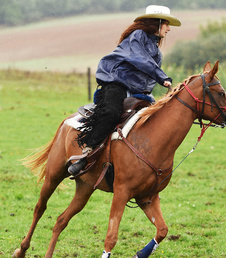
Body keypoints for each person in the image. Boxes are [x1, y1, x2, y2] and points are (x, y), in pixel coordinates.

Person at [68, 5, 181, 176]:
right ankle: (87, 153)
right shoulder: (137, 36)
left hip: (139, 91)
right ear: (157, 23)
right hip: (116, 83)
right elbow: (140, 59)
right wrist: (162, 77)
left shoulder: (156, 50)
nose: (169, 28)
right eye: (166, 24)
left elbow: (148, 74)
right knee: (112, 113)